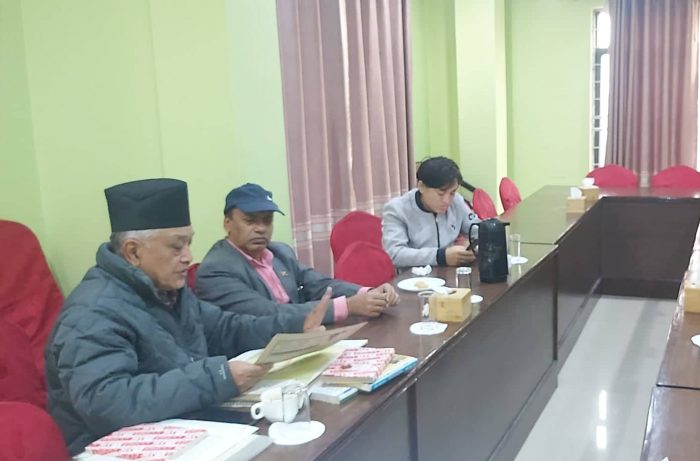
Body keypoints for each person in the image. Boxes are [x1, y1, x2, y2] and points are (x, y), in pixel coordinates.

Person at [45, 179, 329, 454]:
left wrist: (295, 325)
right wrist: (217, 378)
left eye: (189, 244)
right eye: (176, 247)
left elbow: (225, 328)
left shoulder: (167, 289)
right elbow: (108, 403)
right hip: (122, 448)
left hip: (188, 427)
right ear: (133, 252)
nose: (188, 257)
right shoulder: (92, 311)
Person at [196, 183, 399, 322]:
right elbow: (268, 314)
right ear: (227, 223)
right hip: (256, 354)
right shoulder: (215, 270)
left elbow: (320, 284)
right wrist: (348, 306)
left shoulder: (279, 251)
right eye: (250, 221)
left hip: (302, 337)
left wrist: (367, 293)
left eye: (267, 221)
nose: (260, 229)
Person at [382, 156, 480, 267]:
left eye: (452, 192)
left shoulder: (456, 201)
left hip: (450, 272)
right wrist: (440, 256)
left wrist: (473, 245)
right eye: (441, 193)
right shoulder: (397, 209)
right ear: (421, 187)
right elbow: (394, 254)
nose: (447, 200)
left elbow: (478, 229)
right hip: (414, 275)